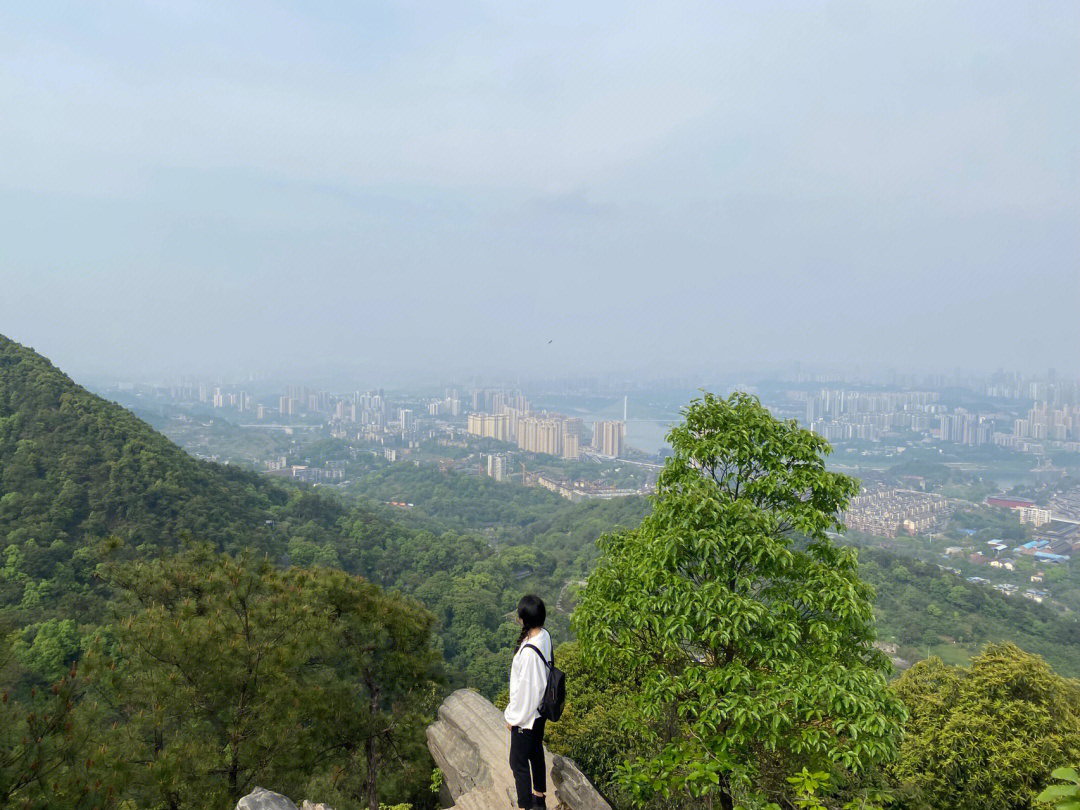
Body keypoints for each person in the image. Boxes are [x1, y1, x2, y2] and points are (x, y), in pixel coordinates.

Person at [504, 594, 552, 809]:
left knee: (518, 764)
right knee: (535, 753)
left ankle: (526, 806)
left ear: (524, 619)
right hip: (539, 714)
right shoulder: (544, 635)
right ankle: (539, 800)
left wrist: (513, 718)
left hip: (528, 717)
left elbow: (527, 692)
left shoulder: (530, 653)